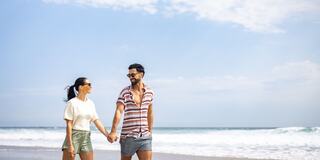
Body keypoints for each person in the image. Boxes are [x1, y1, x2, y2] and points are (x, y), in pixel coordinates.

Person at [107, 63, 154, 160]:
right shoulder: (125, 92)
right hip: (128, 137)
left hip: (145, 136)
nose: (130, 77)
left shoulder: (150, 92)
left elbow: (150, 112)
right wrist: (113, 131)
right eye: (129, 75)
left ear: (141, 74)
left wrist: (150, 131)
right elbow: (118, 112)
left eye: (133, 75)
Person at [62, 77, 109, 160]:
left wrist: (107, 135)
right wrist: (70, 145)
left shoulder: (91, 103)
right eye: (89, 84)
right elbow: (69, 125)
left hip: (86, 137)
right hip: (73, 136)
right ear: (80, 87)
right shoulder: (72, 103)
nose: (91, 87)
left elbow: (96, 120)